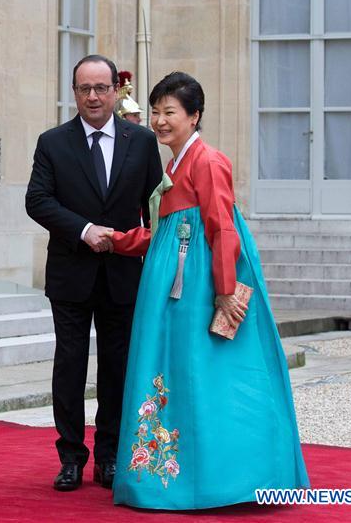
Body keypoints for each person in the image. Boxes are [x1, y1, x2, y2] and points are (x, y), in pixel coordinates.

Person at [106, 71, 309, 509]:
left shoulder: (208, 160)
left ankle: (230, 479)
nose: (159, 121)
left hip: (200, 282)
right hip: (176, 282)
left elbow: (220, 226)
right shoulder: (176, 164)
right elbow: (164, 233)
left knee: (214, 373)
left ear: (195, 116)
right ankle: (183, 475)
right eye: (155, 111)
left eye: (170, 112)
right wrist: (118, 239)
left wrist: (224, 289)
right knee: (183, 372)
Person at [25, 55, 163, 491]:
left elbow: (157, 207)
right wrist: (84, 230)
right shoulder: (53, 142)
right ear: (74, 93)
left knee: (117, 369)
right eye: (85, 88)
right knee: (69, 366)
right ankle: (70, 458)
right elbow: (37, 200)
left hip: (123, 274)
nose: (93, 96)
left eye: (101, 87)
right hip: (71, 274)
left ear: (116, 91)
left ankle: (108, 457)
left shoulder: (141, 141)